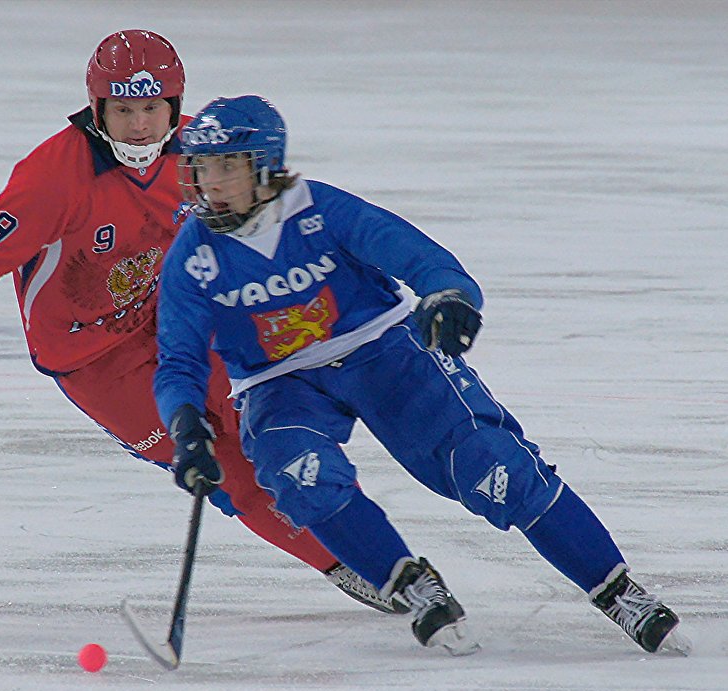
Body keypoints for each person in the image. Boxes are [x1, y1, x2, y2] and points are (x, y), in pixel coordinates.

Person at [153, 94, 691, 656]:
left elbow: (416, 256)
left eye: (225, 165)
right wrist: (186, 422)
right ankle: (411, 587)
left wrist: (449, 296)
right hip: (278, 383)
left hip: (381, 350)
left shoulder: (322, 211)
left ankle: (616, 589)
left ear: (264, 165)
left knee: (492, 463)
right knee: (299, 476)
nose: (209, 181)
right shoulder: (193, 257)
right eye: (202, 166)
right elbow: (179, 361)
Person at [0, 31, 403, 613]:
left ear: (174, 104)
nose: (138, 127)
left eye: (151, 109)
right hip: (93, 360)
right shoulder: (52, 179)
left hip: (182, 322)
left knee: (279, 430)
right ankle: (344, 567)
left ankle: (386, 564)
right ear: (97, 109)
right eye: (122, 111)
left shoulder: (203, 154)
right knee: (229, 472)